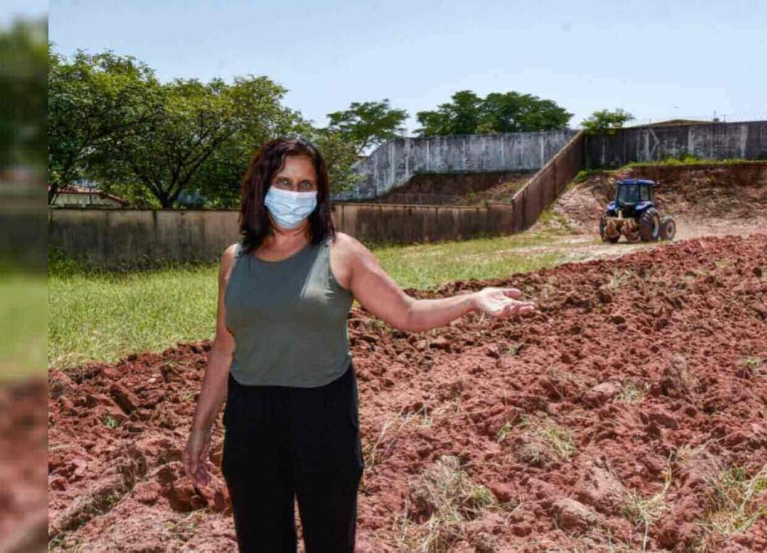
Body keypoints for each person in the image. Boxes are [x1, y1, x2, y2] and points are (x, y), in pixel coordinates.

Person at [181, 137, 535, 552]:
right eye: (283, 181)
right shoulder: (234, 259)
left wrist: (471, 300)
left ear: (320, 193)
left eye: (305, 185)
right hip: (251, 422)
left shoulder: (340, 253)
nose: (294, 194)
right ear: (261, 186)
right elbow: (224, 348)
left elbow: (407, 312)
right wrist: (201, 428)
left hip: (323, 417)